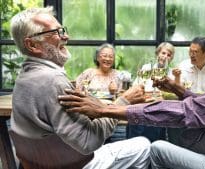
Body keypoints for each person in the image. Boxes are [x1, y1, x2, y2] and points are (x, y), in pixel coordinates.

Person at [59, 19, 205, 168]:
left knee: (155, 148)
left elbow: (185, 112)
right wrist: (177, 89)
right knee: (177, 134)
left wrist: (105, 109)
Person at [10, 7, 150, 169]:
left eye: (62, 30)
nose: (66, 36)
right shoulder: (54, 80)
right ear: (33, 45)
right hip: (68, 164)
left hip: (41, 161)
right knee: (143, 145)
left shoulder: (24, 76)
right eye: (56, 32)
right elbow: (88, 141)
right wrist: (125, 100)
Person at [168, 37, 205, 149]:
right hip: (186, 111)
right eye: (190, 51)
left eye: (196, 52)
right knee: (170, 118)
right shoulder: (183, 66)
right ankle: (175, 151)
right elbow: (175, 90)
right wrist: (176, 78)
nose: (191, 55)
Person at [128, 42, 175, 142]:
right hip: (142, 105)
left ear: (171, 58)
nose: (165, 57)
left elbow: (171, 95)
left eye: (169, 55)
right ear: (157, 54)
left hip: (160, 109)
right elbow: (136, 86)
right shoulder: (146, 68)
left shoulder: (171, 73)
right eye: (163, 53)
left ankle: (153, 147)